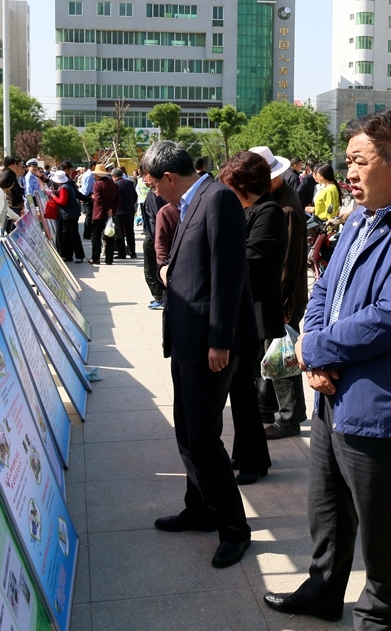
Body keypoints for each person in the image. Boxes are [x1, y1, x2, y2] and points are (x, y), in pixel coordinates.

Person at [263, 109, 391, 629]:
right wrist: (312, 347)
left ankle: (376, 616)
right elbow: (325, 288)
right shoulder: (361, 216)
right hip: (333, 393)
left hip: (383, 406)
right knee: (326, 510)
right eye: (347, 161)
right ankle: (323, 591)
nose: (348, 172)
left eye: (359, 161)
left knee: (381, 529)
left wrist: (314, 350)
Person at [143, 140, 257, 569]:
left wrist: (220, 340)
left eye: (153, 184)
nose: (154, 192)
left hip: (209, 343)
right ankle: (200, 508)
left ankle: (234, 529)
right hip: (187, 338)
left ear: (169, 177)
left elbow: (229, 275)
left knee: (204, 438)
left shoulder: (218, 199)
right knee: (188, 431)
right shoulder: (191, 201)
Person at [218, 150, 286, 485]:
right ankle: (249, 455)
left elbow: (250, 260)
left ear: (244, 184)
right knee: (241, 389)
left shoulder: (268, 212)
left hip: (255, 312)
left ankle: (252, 461)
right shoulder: (251, 210)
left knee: (243, 390)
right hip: (246, 309)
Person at [250, 146, 309, 439]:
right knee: (268, 353)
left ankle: (290, 416)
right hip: (275, 295)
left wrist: (283, 304)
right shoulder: (274, 201)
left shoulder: (285, 208)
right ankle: (267, 407)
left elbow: (289, 262)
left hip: (284, 297)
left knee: (282, 355)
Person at [47, 170, 84, 263]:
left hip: (69, 215)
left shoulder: (64, 188)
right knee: (67, 236)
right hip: (71, 214)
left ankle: (78, 255)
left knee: (72, 236)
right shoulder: (67, 186)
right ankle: (69, 255)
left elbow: (62, 202)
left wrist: (53, 196)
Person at [141, 189, 167, 309]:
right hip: (158, 235)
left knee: (150, 270)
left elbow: (157, 217)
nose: (144, 181)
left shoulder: (154, 196)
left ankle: (159, 297)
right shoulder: (163, 193)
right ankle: (160, 296)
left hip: (153, 236)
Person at [91, 164, 120, 265]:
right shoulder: (114, 185)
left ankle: (96, 258)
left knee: (96, 237)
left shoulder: (97, 185)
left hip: (99, 213)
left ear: (98, 175)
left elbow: (98, 199)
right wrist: (111, 210)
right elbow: (118, 200)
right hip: (110, 214)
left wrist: (107, 209)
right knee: (110, 235)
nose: (94, 176)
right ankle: (109, 259)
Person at [112, 168, 138, 258]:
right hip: (129, 210)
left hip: (118, 211)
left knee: (120, 233)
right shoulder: (129, 183)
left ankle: (122, 253)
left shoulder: (114, 185)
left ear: (114, 176)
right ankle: (132, 252)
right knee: (130, 231)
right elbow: (135, 196)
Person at [80, 161, 97, 240]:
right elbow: (87, 188)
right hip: (89, 196)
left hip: (87, 195)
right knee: (89, 216)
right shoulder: (90, 175)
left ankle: (88, 233)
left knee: (89, 216)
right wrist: (86, 197)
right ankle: (87, 234)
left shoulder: (86, 174)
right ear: (93, 166)